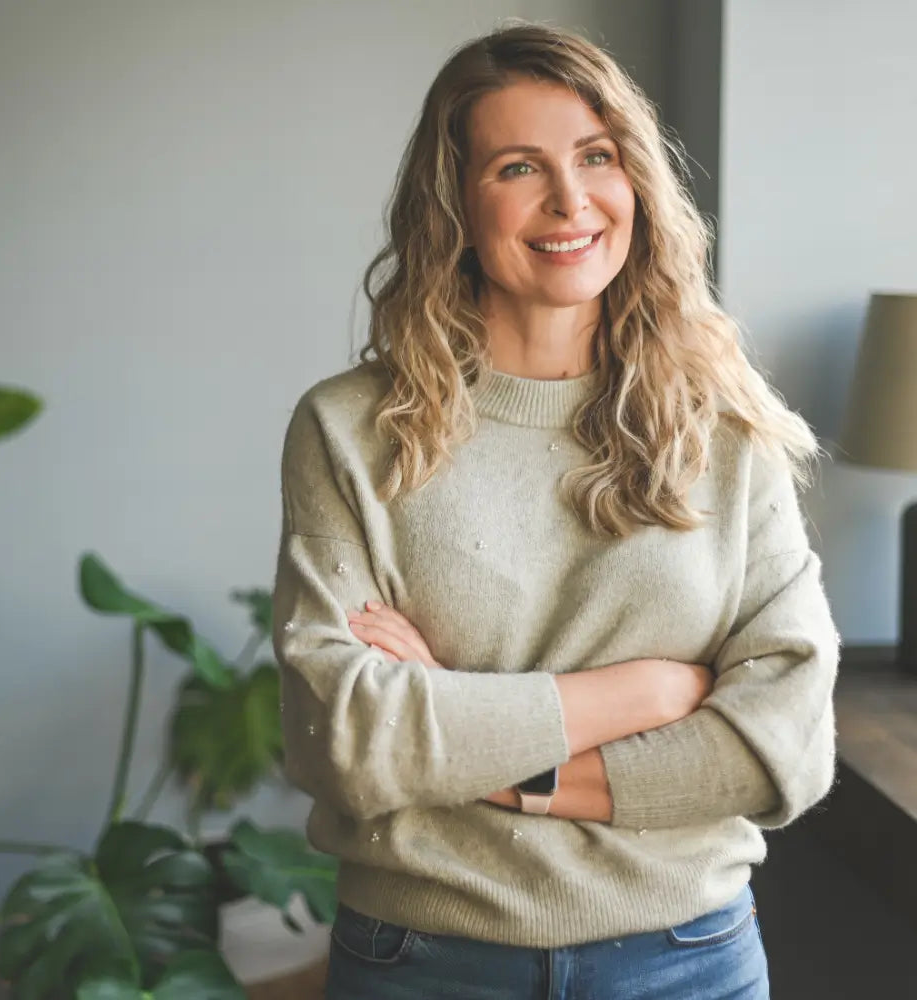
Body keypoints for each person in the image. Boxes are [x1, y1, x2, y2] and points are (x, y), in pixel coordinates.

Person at [272, 21, 839, 1000]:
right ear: (453, 201)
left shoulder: (727, 424)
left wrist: (489, 760)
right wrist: (650, 693)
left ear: (636, 183)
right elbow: (349, 742)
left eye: (596, 157)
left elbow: (783, 738)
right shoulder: (349, 430)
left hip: (686, 961)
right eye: (518, 167)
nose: (570, 200)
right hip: (425, 960)